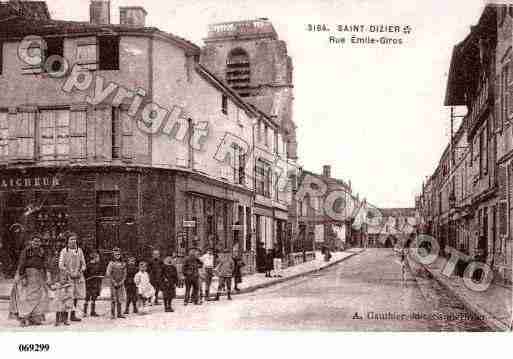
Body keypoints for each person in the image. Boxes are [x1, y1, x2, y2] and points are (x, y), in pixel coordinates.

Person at [9, 235, 51, 327]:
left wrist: (47, 275)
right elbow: (22, 263)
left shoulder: (42, 251)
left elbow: (45, 264)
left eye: (38, 241)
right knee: (27, 297)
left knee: (40, 297)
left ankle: (35, 317)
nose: (36, 243)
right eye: (35, 241)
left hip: (39, 276)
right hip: (28, 275)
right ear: (31, 242)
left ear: (40, 243)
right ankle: (24, 318)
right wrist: (22, 277)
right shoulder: (27, 251)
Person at [58, 234, 86, 322]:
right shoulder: (64, 251)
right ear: (67, 241)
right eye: (71, 239)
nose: (73, 241)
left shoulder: (80, 251)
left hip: (78, 277)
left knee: (76, 296)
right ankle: (64, 316)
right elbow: (61, 265)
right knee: (67, 296)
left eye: (74, 239)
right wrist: (68, 272)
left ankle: (73, 315)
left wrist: (80, 271)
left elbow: (84, 264)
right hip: (68, 277)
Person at [105, 247, 126, 319]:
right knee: (113, 298)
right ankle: (112, 314)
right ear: (113, 255)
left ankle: (120, 313)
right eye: (116, 254)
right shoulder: (111, 263)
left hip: (120, 284)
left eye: (119, 254)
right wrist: (114, 282)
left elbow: (125, 274)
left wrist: (121, 282)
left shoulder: (123, 263)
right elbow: (108, 273)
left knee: (120, 298)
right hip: (113, 284)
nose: (117, 255)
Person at [83, 251, 103, 317]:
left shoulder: (98, 265)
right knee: (87, 297)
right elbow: (85, 274)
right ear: (94, 258)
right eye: (97, 257)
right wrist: (88, 278)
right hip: (89, 284)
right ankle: (85, 312)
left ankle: (92, 312)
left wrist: (100, 276)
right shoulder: (88, 265)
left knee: (94, 297)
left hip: (96, 283)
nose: (98, 259)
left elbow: (101, 273)